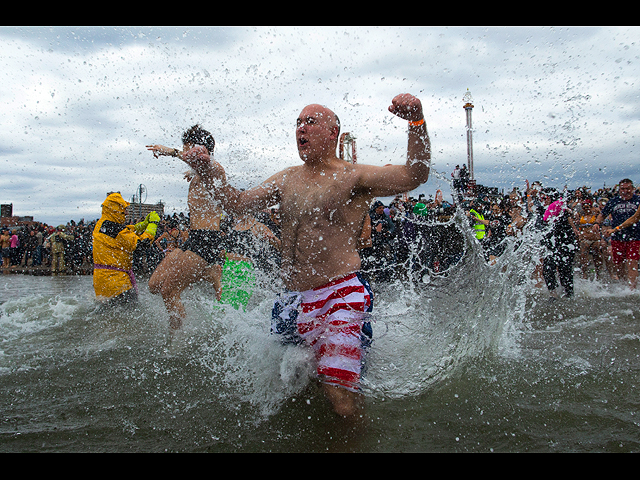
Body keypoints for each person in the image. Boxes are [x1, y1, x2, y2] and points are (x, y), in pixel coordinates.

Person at [177, 93, 431, 417]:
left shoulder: (352, 176)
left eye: (310, 122)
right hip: (291, 299)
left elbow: (414, 175)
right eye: (298, 122)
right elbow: (237, 204)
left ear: (332, 133)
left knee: (341, 402)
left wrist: (416, 122)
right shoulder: (287, 178)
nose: (301, 128)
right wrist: (211, 173)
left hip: (339, 295)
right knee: (292, 392)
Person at [147, 125, 225, 331]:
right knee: (154, 285)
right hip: (192, 238)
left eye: (187, 148)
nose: (184, 152)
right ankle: (209, 273)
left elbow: (203, 163)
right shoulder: (199, 174)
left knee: (168, 291)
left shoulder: (215, 169)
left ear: (199, 149)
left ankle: (177, 340)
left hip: (207, 240)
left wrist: (170, 151)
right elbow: (197, 164)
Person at [92, 192, 159, 304]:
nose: (126, 213)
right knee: (131, 313)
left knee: (109, 315)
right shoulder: (115, 229)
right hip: (116, 282)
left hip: (102, 280)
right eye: (124, 209)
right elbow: (141, 245)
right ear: (115, 210)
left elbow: (127, 231)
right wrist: (153, 225)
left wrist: (144, 224)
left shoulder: (102, 224)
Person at [594, 179, 640, 289]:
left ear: (633, 189)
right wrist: (597, 223)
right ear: (619, 190)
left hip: (635, 236)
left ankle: (632, 289)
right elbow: (603, 214)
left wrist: (615, 229)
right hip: (618, 237)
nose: (625, 191)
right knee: (619, 264)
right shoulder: (613, 201)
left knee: (632, 263)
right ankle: (623, 286)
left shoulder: (637, 200)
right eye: (623, 189)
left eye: (628, 189)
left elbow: (634, 219)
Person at [542, 191, 578, 299]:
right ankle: (553, 294)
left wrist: (574, 227)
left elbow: (570, 215)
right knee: (548, 267)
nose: (543, 200)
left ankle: (569, 294)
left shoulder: (559, 205)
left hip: (565, 240)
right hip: (552, 240)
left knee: (565, 268)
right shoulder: (546, 208)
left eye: (545, 198)